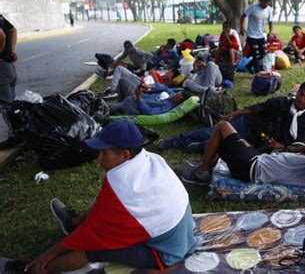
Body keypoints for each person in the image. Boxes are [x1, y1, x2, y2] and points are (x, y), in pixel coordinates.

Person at [2, 121, 196, 272]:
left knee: (90, 250)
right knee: (101, 210)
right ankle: (75, 221)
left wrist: (47, 254)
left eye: (104, 153)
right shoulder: (150, 159)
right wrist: (82, 221)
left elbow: (92, 236)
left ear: (125, 154)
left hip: (166, 252)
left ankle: (32, 269)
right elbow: (106, 205)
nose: (98, 159)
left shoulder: (123, 189)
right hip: (177, 233)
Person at [157, 82, 305, 153]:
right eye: (300, 94)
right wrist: (233, 114)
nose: (301, 99)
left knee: (230, 150)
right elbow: (256, 108)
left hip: (262, 143)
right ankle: (172, 142)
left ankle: (200, 147)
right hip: (247, 124)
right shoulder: (282, 102)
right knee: (211, 132)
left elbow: (299, 142)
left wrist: (280, 146)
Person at [180, 121, 305, 186]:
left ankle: (202, 172)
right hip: (256, 160)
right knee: (239, 139)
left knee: (223, 126)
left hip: (251, 167)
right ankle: (207, 165)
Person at [109, 78, 189, 115]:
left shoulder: (167, 106)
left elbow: (150, 112)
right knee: (123, 81)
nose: (173, 96)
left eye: (176, 98)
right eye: (176, 94)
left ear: (179, 103)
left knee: (105, 107)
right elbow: (164, 87)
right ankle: (120, 101)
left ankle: (119, 107)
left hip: (134, 105)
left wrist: (139, 98)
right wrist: (150, 86)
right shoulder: (172, 94)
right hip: (138, 95)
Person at [240, 0, 273, 73]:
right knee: (256, 55)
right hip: (251, 35)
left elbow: (271, 22)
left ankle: (249, 65)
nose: (266, 4)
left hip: (261, 35)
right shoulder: (253, 7)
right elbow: (243, 16)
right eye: (265, 2)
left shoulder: (269, 9)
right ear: (261, 0)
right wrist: (241, 27)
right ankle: (258, 73)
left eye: (268, 2)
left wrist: (270, 32)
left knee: (262, 54)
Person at [0, 14, 20, 150]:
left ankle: (15, 136)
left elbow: (1, 36)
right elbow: (12, 30)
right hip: (8, 65)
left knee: (6, 105)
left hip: (1, 68)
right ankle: (19, 132)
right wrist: (12, 50)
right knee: (11, 102)